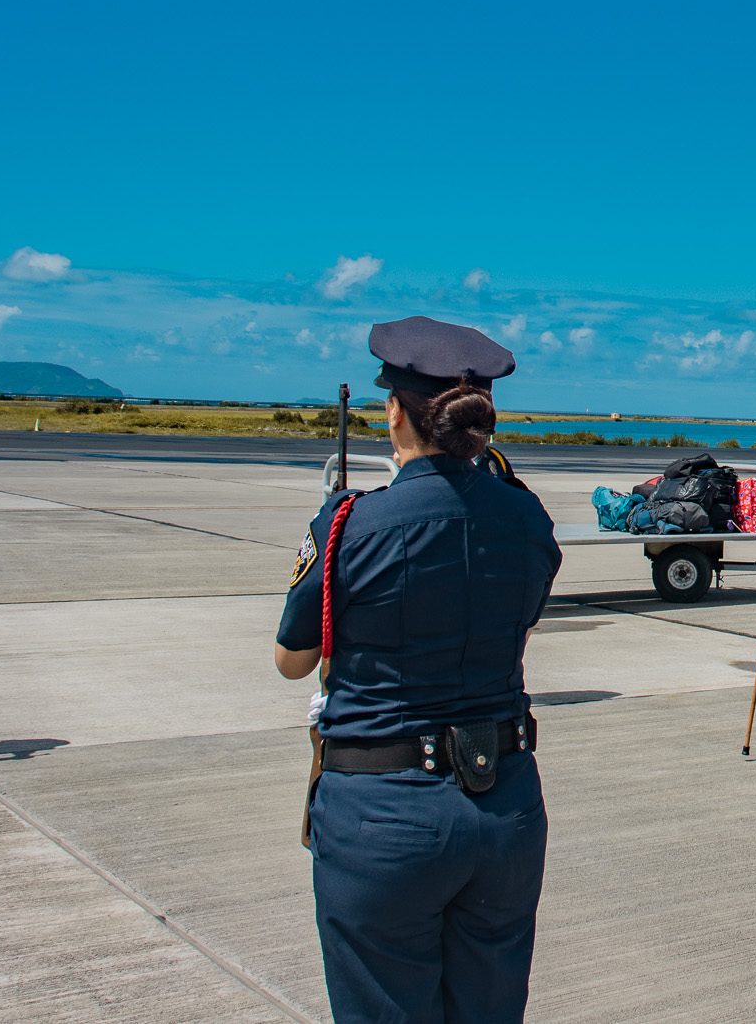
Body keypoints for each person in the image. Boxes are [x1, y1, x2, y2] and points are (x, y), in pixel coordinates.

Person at [274, 316, 562, 1024]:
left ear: (395, 412)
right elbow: (520, 623)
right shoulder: (527, 517)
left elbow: (292, 660)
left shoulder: (350, 524)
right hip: (504, 801)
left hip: (384, 810)